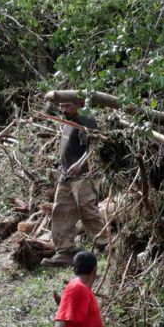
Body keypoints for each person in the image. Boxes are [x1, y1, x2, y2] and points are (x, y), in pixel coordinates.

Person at [43, 96, 105, 267]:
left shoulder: (87, 121)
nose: (64, 110)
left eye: (68, 106)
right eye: (61, 106)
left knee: (88, 211)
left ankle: (105, 244)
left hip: (83, 175)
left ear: (80, 104)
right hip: (66, 176)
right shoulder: (67, 121)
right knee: (60, 211)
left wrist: (80, 164)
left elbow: (95, 146)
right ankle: (65, 251)